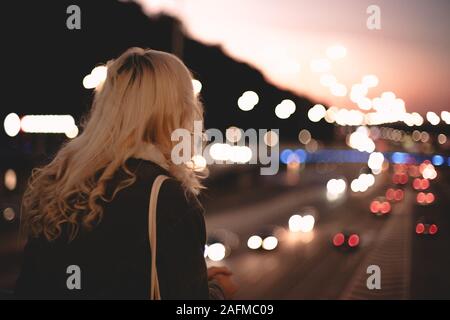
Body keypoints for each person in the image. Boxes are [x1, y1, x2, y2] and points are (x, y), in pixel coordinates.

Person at [15, 47, 237, 299]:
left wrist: (191, 277)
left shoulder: (58, 182)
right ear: (179, 112)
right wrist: (219, 293)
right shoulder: (168, 198)